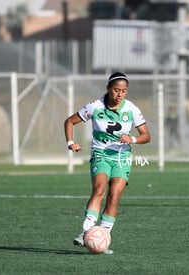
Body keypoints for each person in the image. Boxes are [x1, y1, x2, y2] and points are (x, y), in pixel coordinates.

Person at [64, 72, 151, 254]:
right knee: (99, 189)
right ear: (108, 89)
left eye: (124, 91)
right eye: (116, 90)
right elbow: (70, 122)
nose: (119, 94)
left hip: (122, 157)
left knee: (114, 196)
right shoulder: (95, 106)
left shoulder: (132, 109)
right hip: (101, 154)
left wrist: (132, 139)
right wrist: (71, 142)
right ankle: (86, 232)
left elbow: (146, 136)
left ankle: (103, 238)